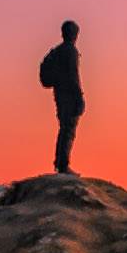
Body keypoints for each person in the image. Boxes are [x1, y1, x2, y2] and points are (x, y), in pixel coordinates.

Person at [38, 20, 83, 174]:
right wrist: (80, 98)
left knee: (64, 128)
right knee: (68, 130)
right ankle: (63, 165)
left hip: (59, 95)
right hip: (69, 95)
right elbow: (73, 76)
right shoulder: (70, 51)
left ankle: (60, 163)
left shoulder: (58, 51)